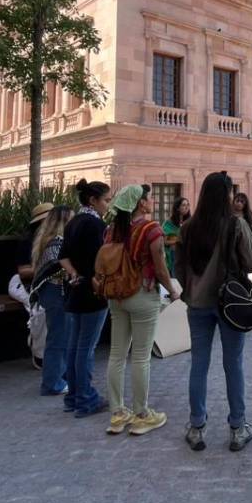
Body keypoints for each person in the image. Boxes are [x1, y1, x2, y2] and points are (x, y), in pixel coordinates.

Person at [174, 171, 252, 453]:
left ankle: (196, 427)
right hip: (229, 304)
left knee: (199, 364)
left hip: (197, 304)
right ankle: (237, 427)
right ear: (226, 195)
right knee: (233, 365)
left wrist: (190, 290)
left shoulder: (188, 227)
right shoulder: (235, 224)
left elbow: (179, 266)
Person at [103, 184, 182, 437]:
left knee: (116, 355)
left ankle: (117, 414)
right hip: (142, 294)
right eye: (148, 198)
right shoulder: (151, 229)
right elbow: (160, 268)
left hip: (116, 296)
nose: (151, 202)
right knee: (140, 356)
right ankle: (141, 415)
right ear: (140, 203)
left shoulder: (112, 230)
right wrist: (172, 290)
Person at [59, 179, 112, 418]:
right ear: (93, 200)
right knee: (85, 348)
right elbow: (99, 260)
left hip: (75, 290)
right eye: (106, 200)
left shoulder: (73, 223)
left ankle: (73, 396)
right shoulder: (94, 225)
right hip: (92, 293)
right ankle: (85, 398)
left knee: (74, 346)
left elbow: (63, 256)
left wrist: (75, 275)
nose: (108, 206)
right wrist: (92, 278)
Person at [31, 205, 74, 397]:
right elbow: (58, 268)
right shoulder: (56, 243)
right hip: (56, 293)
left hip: (53, 293)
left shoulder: (47, 242)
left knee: (60, 337)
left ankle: (59, 378)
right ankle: (53, 382)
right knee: (58, 338)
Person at [17, 203, 54, 288]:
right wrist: (47, 268)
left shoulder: (59, 237)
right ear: (41, 221)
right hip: (32, 284)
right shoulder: (27, 241)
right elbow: (23, 272)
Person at [161, 197, 190, 278]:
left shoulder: (190, 222)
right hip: (173, 255)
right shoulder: (169, 223)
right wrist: (179, 240)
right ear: (177, 208)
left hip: (187, 255)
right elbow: (164, 241)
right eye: (184, 205)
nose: (187, 207)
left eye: (188, 205)